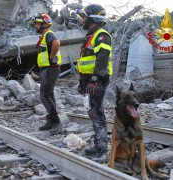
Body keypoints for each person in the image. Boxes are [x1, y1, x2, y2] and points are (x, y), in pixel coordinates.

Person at [76, 4, 113, 163]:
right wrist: (82, 81)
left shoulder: (101, 35)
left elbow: (102, 59)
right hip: (90, 77)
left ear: (92, 18)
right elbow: (87, 61)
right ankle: (99, 145)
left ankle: (103, 149)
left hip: (97, 78)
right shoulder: (92, 35)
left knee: (95, 112)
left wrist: (94, 79)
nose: (82, 20)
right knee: (95, 111)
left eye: (84, 17)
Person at [32, 13, 62, 135]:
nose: (35, 26)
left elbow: (56, 43)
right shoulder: (45, 36)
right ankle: (51, 121)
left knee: (44, 95)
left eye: (37, 23)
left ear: (44, 24)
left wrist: (51, 57)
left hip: (50, 69)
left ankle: (56, 122)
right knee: (49, 95)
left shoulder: (49, 34)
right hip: (47, 69)